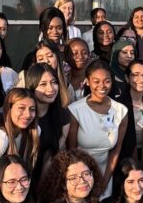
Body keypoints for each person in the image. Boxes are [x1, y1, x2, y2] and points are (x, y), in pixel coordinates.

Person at [67, 60, 128, 195]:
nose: (102, 86)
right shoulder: (76, 110)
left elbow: (115, 151)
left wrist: (104, 182)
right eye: (96, 81)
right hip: (79, 173)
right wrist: (83, 178)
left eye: (107, 81)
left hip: (105, 172)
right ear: (87, 82)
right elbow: (72, 150)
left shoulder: (121, 111)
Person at [0, 89, 40, 203]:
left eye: (32, 109)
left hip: (17, 199)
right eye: (21, 108)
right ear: (8, 109)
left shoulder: (34, 132)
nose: (28, 114)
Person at [24, 63, 71, 183]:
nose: (51, 89)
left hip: (46, 180)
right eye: (43, 84)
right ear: (32, 86)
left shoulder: (63, 115)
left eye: (54, 82)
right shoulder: (23, 117)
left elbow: (55, 153)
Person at [65, 38, 91, 103]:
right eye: (74, 53)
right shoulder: (62, 80)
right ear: (67, 56)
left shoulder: (95, 79)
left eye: (84, 53)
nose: (80, 56)